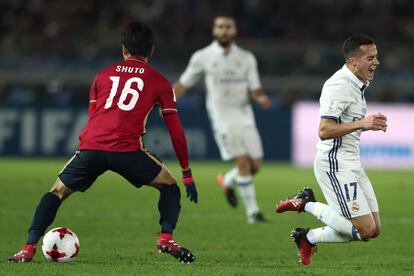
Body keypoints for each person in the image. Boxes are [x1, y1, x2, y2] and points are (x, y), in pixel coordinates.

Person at [8, 22, 198, 264]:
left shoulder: (102, 76)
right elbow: (176, 132)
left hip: (92, 147)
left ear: (123, 49)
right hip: (127, 150)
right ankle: (166, 239)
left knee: (57, 192)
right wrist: (187, 173)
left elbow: (94, 118)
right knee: (170, 186)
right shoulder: (160, 82)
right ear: (152, 50)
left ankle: (27, 248)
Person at [276, 34, 386, 265]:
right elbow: (325, 130)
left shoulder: (358, 84)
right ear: (353, 61)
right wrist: (362, 123)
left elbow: (345, 125)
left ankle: (309, 236)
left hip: (352, 162)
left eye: (376, 56)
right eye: (371, 57)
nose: (376, 62)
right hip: (335, 164)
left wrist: (365, 126)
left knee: (374, 230)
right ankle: (305, 203)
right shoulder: (339, 86)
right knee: (364, 230)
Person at [173, 15, 271, 224]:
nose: (224, 30)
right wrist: (165, 100)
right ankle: (253, 213)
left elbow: (255, 88)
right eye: (220, 27)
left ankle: (227, 180)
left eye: (228, 27)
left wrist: (260, 97)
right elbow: (183, 84)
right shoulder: (203, 57)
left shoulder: (246, 58)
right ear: (214, 31)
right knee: (243, 162)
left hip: (245, 115)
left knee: (255, 165)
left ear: (234, 30)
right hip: (222, 117)